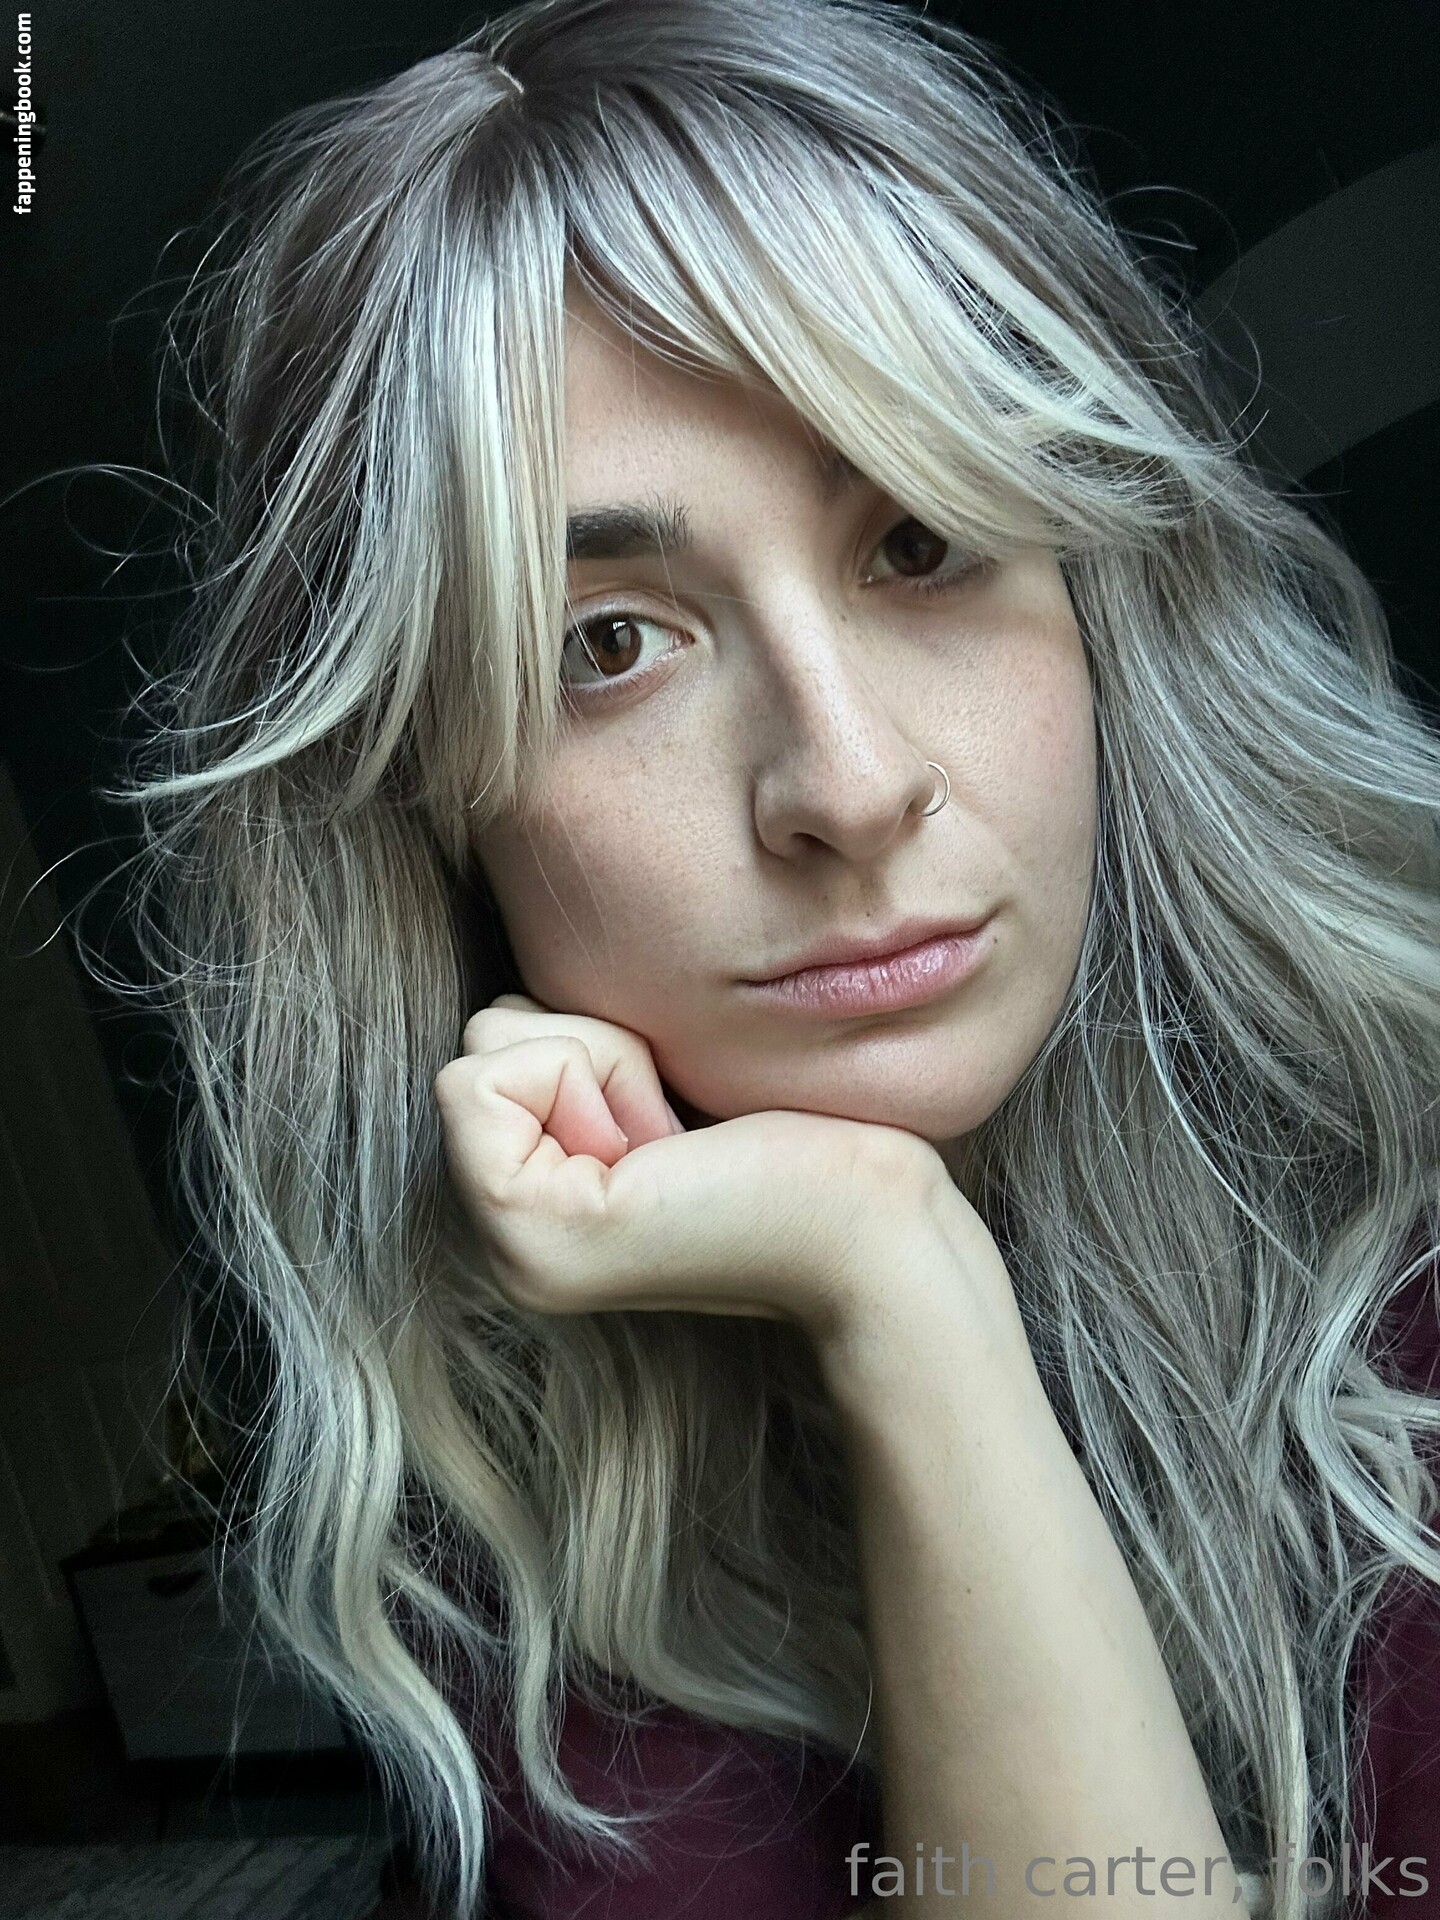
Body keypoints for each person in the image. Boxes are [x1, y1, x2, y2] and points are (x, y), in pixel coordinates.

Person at [123, 0, 1440, 1915]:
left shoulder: (1412, 1253)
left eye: (920, 541)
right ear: (432, 803)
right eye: (608, 645)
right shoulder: (513, 1491)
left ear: (1101, 593)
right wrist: (895, 1281)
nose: (848, 781)